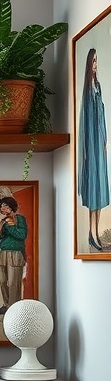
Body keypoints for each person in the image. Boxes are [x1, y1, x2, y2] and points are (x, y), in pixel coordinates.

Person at [77, 47, 109, 251]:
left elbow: (102, 117)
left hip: (100, 146)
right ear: (89, 64)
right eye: (93, 61)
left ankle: (95, 235)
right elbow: (86, 123)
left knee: (100, 189)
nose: (96, 64)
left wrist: (105, 139)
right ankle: (93, 235)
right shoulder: (87, 90)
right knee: (93, 189)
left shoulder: (98, 86)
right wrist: (89, 148)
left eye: (97, 60)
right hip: (92, 146)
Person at [0, 196, 27, 314]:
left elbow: (22, 235)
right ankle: (6, 305)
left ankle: (14, 307)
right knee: (3, 281)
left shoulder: (19, 219)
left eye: (5, 206)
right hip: (3, 253)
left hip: (16, 254)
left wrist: (10, 226)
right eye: (1, 206)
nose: (2, 208)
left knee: (13, 282)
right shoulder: (4, 221)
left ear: (11, 207)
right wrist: (2, 224)